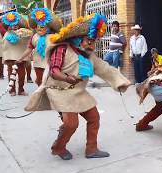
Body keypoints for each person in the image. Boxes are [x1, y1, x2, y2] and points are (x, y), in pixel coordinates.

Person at [25, 13, 131, 160]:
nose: (92, 45)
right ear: (79, 38)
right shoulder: (61, 48)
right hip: (61, 92)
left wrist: (120, 81)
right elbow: (54, 71)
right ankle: (59, 147)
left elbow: (104, 68)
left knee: (94, 118)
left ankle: (91, 149)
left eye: (93, 42)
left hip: (79, 92)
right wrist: (67, 78)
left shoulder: (89, 55)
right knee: (71, 124)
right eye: (89, 40)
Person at [18, 7, 63, 86]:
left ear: (48, 28)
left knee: (49, 82)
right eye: (37, 27)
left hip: (50, 63)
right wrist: (21, 58)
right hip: (38, 63)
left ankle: (49, 95)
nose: (39, 28)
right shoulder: (34, 36)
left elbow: (60, 49)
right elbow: (29, 49)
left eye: (42, 27)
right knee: (39, 81)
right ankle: (41, 94)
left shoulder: (54, 37)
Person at [1, 12, 33, 96]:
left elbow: (28, 43)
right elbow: (4, 45)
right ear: (8, 26)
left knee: (22, 75)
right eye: (12, 25)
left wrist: (23, 35)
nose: (14, 26)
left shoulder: (23, 33)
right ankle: (12, 90)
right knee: (11, 75)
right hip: (10, 59)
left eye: (16, 25)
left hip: (21, 59)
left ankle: (21, 90)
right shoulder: (6, 34)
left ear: (19, 25)